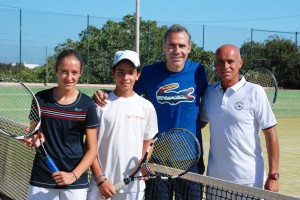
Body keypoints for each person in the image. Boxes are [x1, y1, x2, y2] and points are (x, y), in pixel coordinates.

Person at [93, 24, 208, 199]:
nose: (176, 50)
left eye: (182, 45)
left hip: (190, 161)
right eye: (171, 45)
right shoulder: (149, 73)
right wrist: (103, 95)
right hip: (155, 162)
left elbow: (204, 112)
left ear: (189, 48)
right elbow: (125, 91)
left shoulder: (199, 71)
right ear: (164, 47)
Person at [200, 44, 279, 192]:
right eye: (220, 62)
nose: (226, 66)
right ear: (215, 65)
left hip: (249, 181)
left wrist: (273, 175)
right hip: (215, 180)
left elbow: (271, 134)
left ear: (240, 63)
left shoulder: (255, 92)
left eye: (230, 61)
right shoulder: (209, 92)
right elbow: (199, 124)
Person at [26, 49, 99, 200]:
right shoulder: (40, 99)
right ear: (55, 70)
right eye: (64, 71)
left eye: (74, 72)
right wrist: (33, 139)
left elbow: (92, 149)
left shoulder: (88, 105)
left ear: (81, 72)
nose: (69, 77)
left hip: (75, 181)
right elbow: (33, 133)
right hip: (42, 177)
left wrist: (73, 175)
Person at [87, 50, 158, 200]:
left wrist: (143, 162)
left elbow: (148, 140)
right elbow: (90, 146)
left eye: (131, 72)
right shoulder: (99, 105)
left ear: (138, 75)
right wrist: (100, 180)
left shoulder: (147, 107)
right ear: (113, 73)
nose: (125, 77)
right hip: (100, 187)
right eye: (120, 72)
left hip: (134, 189)